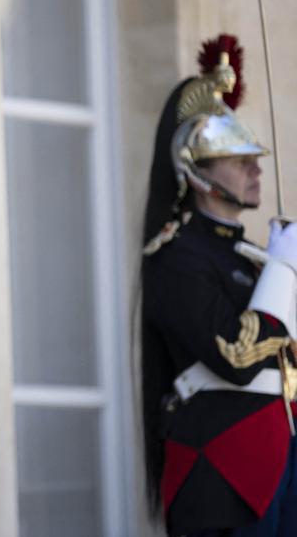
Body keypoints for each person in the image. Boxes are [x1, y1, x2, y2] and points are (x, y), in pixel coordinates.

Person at [140, 34, 297, 535]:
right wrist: (282, 273)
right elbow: (235, 356)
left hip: (281, 458)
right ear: (199, 173)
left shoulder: (249, 257)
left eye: (254, 157)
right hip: (224, 469)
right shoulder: (177, 256)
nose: (256, 169)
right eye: (238, 159)